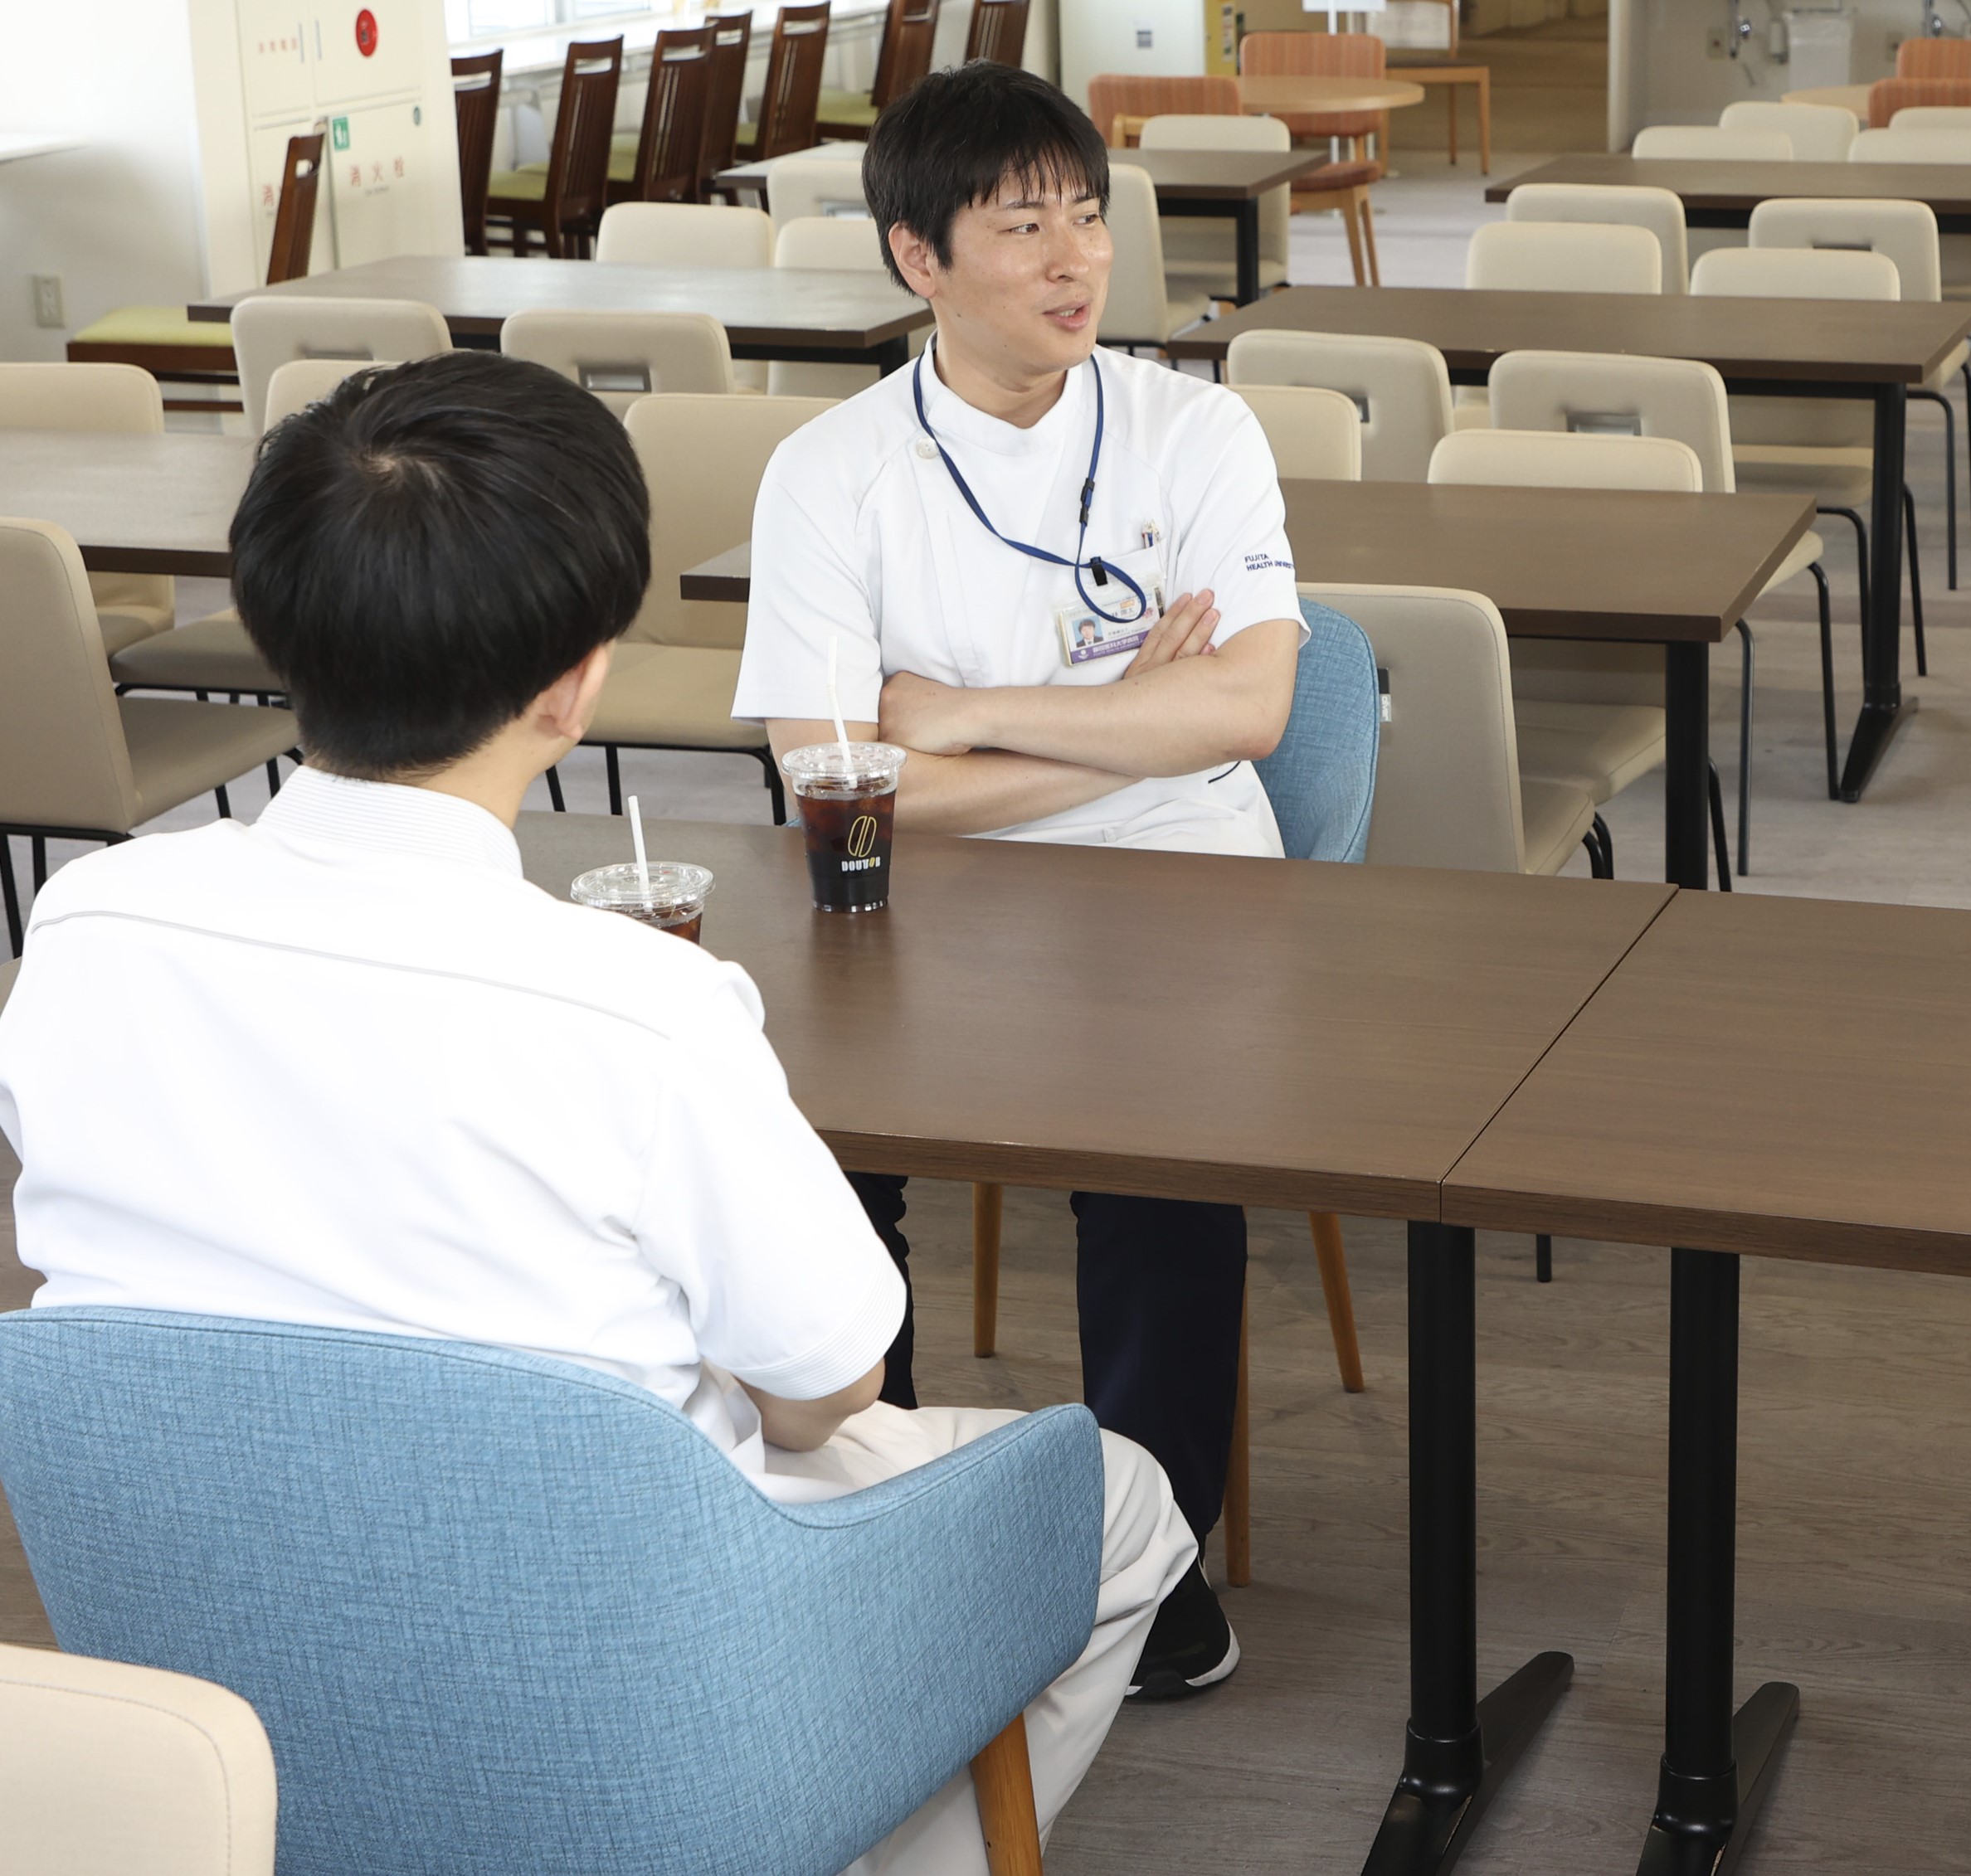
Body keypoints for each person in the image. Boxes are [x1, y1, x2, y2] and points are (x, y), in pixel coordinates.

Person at [0, 352, 1200, 1871]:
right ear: (573, 685)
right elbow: (830, 1384)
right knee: (1119, 1499)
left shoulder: (83, 926)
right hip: (620, 1673)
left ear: (276, 629)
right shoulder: (637, 1003)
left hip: (206, 1652)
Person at [731, 62, 1305, 1700]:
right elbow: (836, 785)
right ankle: (890, 1533)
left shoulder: (1195, 428)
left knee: (1162, 1171)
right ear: (917, 257)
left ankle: (1156, 1559)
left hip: (1179, 880)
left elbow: (1251, 710)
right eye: (1022, 228)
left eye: (1087, 220)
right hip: (920, 902)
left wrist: (963, 717)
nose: (1075, 262)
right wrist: (1135, 729)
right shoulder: (832, 470)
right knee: (827, 1153)